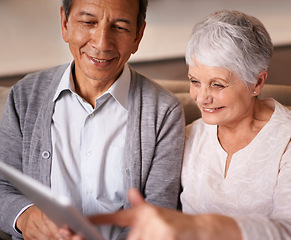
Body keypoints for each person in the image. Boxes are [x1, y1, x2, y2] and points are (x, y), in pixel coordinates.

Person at [73, 10, 291, 240]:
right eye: (195, 81)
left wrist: (203, 227)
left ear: (257, 82)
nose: (202, 97)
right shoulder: (186, 135)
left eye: (217, 84)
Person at [0, 0, 185, 239]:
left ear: (138, 36)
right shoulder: (24, 96)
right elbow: (2, 186)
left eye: (120, 27)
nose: (101, 43)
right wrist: (24, 216)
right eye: (88, 22)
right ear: (65, 23)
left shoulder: (164, 111)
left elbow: (159, 211)